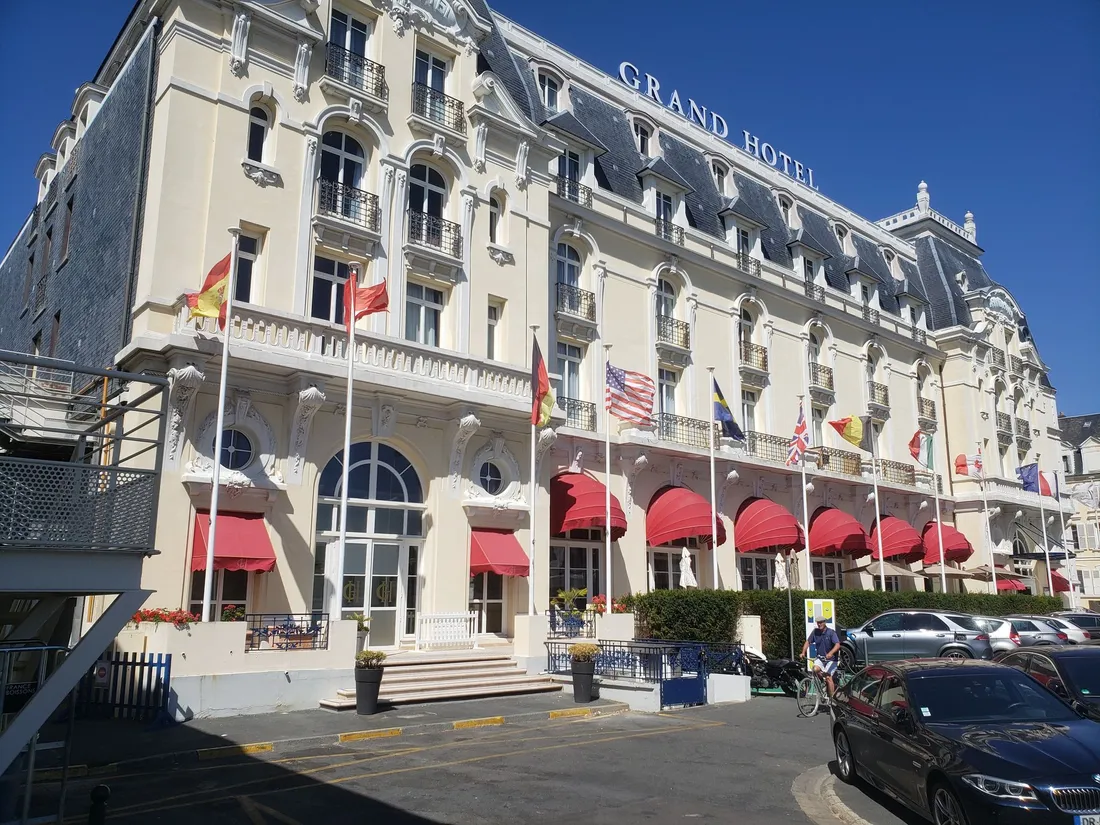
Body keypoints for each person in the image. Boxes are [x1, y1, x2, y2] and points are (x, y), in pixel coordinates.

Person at [801, 615, 841, 697]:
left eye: (821, 623)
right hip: (820, 658)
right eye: (818, 623)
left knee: (828, 677)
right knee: (815, 669)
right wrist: (803, 652)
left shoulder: (831, 633)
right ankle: (822, 681)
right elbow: (808, 642)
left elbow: (837, 645)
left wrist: (830, 653)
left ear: (824, 622)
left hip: (832, 659)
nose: (819, 624)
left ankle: (831, 699)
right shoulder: (815, 632)